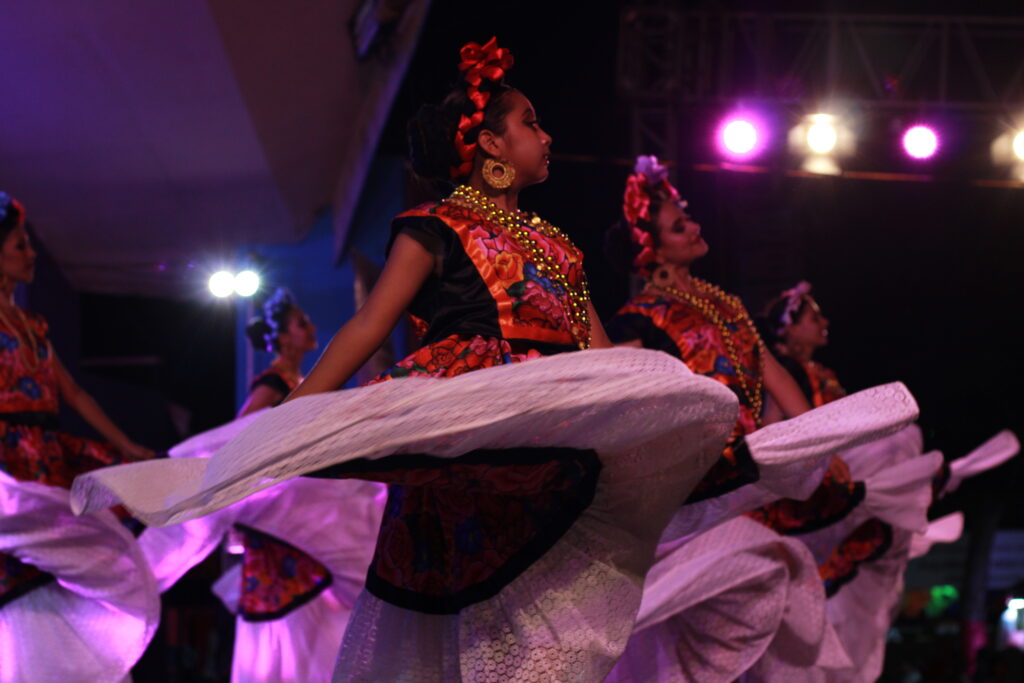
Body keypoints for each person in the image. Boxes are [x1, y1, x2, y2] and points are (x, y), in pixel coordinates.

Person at [74, 39, 741, 681]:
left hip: (548, 424)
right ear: (490, 144)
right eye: (530, 122)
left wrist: (656, 420)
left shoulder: (560, 250)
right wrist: (293, 417)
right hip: (469, 414)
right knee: (466, 614)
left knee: (543, 608)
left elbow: (599, 356)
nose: (546, 135)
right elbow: (370, 324)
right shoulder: (438, 226)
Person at [0, 191, 158, 682]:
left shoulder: (33, 324)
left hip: (47, 458)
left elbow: (73, 393)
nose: (31, 254)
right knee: (22, 578)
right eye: (20, 244)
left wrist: (125, 444)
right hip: (10, 463)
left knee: (65, 564)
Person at [238, 288, 318, 417]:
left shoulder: (295, 379)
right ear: (283, 337)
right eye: (302, 324)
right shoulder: (273, 382)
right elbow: (241, 425)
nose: (312, 328)